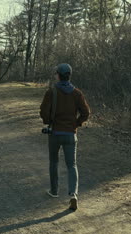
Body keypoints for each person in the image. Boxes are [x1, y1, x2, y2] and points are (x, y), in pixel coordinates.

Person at [40, 63, 91, 211]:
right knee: (72, 165)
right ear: (69, 75)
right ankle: (73, 194)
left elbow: (43, 112)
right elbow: (86, 112)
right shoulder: (77, 93)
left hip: (55, 133)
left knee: (53, 162)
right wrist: (76, 124)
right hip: (70, 134)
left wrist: (49, 122)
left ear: (58, 75)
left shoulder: (51, 92)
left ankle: (54, 191)